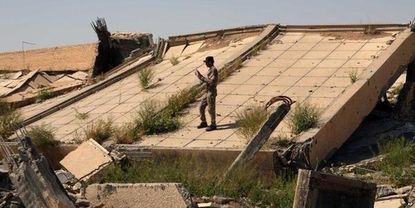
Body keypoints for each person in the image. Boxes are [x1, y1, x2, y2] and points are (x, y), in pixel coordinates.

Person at [195, 56, 218, 131]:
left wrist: (200, 76)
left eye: (206, 62)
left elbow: (211, 81)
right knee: (201, 106)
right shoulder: (210, 70)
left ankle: (213, 124)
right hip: (207, 91)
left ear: (210, 62)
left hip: (211, 92)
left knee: (211, 109)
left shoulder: (214, 70)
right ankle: (204, 122)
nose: (206, 64)